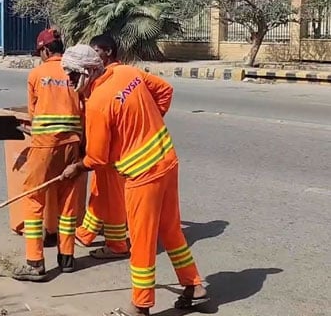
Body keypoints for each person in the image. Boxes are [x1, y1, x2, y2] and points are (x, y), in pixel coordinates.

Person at [60, 42, 208, 315]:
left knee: (141, 242)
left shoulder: (98, 104)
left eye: (71, 75)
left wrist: (75, 168)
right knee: (170, 229)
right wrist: (149, 119)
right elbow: (165, 90)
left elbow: (97, 159)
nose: (69, 82)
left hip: (142, 175)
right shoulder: (127, 73)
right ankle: (194, 285)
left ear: (88, 71)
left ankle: (140, 306)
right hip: (166, 160)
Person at [12, 29, 82, 282]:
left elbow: (33, 112)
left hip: (44, 144)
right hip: (73, 143)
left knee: (33, 199)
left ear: (44, 50)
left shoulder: (37, 74)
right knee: (67, 201)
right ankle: (67, 259)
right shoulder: (75, 71)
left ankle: (35, 262)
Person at [75, 34, 130, 259]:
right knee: (99, 191)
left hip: (113, 149)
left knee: (112, 196)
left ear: (107, 52)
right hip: (103, 143)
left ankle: (117, 244)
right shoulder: (102, 77)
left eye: (96, 51)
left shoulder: (118, 74)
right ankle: (87, 232)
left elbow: (163, 93)